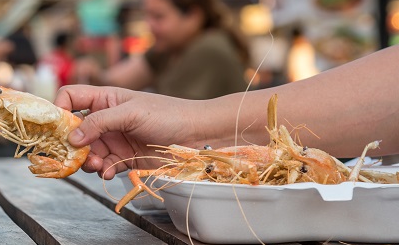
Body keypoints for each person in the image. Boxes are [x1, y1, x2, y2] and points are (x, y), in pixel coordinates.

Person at [54, 45, 399, 179]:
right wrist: (196, 130)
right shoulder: (163, 53)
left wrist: (196, 128)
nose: (153, 27)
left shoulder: (208, 51)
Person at [78, 0, 249, 100]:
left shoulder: (209, 49)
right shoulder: (170, 47)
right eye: (148, 15)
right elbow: (115, 82)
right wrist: (94, 75)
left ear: (193, 16)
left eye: (158, 16)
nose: (149, 25)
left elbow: (173, 119)